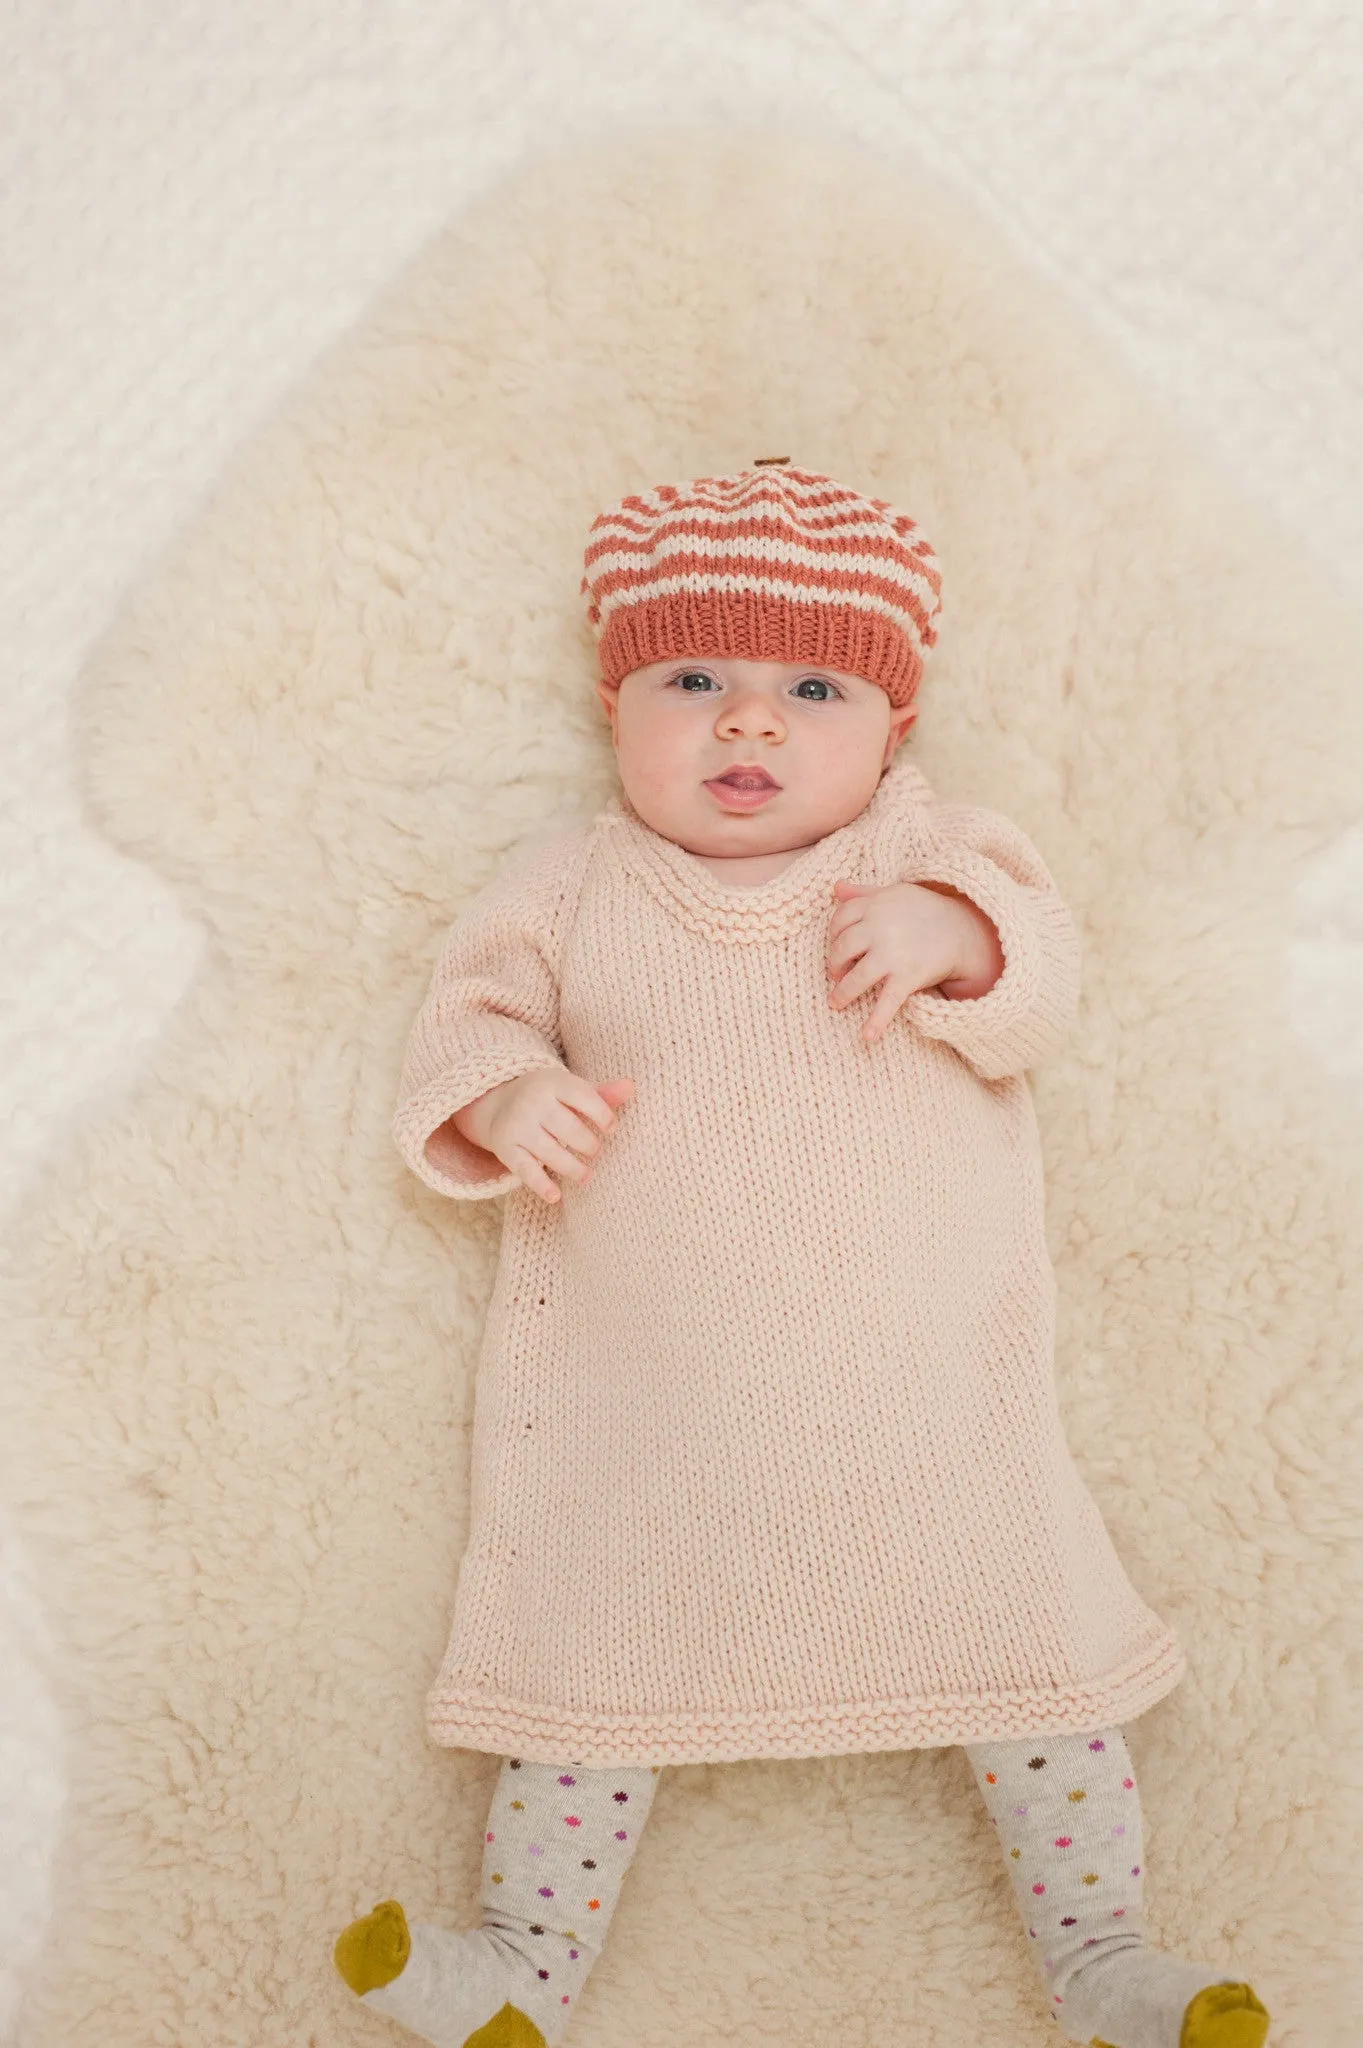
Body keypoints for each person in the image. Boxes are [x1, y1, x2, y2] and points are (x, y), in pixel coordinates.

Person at [332, 463, 1270, 2048]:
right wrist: (506, 1095)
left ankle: (1102, 1951)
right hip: (652, 1430)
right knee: (584, 1685)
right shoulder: (568, 884)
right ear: (615, 704)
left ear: (891, 732)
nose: (747, 724)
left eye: (809, 688)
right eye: (692, 679)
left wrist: (953, 935)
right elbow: (465, 1020)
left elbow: (1040, 978)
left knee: (1037, 1680)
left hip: (925, 1427)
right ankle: (518, 1966)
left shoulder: (918, 852)